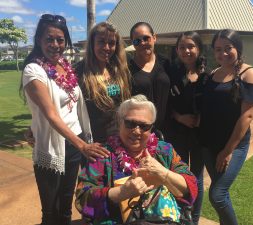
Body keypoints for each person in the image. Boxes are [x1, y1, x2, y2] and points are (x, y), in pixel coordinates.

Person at [21, 14, 105, 225]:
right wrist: (83, 145)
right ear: (39, 39)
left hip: (74, 144)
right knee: (51, 211)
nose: (55, 45)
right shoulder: (34, 70)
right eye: (49, 39)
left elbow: (73, 105)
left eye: (60, 39)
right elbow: (50, 114)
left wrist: (78, 143)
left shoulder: (65, 66)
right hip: (51, 146)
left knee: (66, 206)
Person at [75, 95, 198, 225]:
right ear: (119, 122)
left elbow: (191, 187)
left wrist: (162, 173)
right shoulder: (103, 154)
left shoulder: (164, 151)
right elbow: (82, 199)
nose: (137, 131)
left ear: (151, 128)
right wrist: (121, 193)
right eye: (130, 123)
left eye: (144, 126)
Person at [199, 29, 253, 225]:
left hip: (233, 146)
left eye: (228, 48)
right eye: (218, 49)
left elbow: (247, 116)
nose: (223, 54)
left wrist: (228, 151)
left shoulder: (249, 74)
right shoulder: (214, 73)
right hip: (208, 143)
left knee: (217, 194)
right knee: (221, 193)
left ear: (238, 47)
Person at [165, 31, 207, 225]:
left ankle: (194, 220)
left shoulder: (208, 74)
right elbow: (166, 103)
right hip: (177, 131)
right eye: (182, 47)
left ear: (198, 49)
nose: (186, 51)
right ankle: (180, 216)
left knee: (197, 177)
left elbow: (213, 105)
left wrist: (201, 120)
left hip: (200, 135)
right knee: (178, 176)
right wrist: (179, 117)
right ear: (177, 50)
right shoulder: (172, 72)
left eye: (191, 46)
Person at [75, 22, 131, 145]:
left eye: (111, 43)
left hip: (119, 140)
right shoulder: (79, 72)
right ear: (92, 44)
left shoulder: (118, 70)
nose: (106, 47)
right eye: (101, 42)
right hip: (93, 144)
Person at [128, 22, 171, 130]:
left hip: (169, 128)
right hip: (141, 130)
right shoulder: (127, 69)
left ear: (154, 37)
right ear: (133, 43)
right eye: (137, 41)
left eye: (146, 38)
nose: (142, 43)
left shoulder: (166, 63)